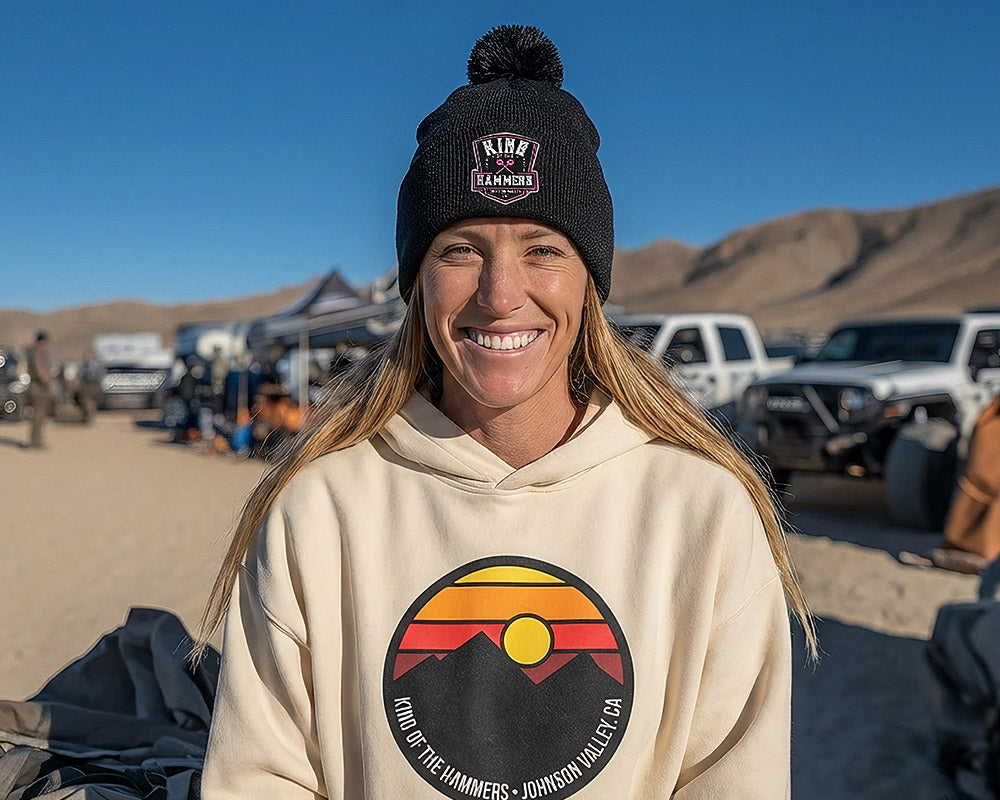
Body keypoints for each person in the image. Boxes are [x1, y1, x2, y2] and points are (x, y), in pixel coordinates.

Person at [198, 25, 814, 799]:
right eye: (459, 249)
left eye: (543, 249)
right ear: (416, 280)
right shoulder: (321, 510)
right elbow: (261, 780)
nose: (499, 293)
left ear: (590, 281)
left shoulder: (702, 512)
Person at [25, 330, 54, 448]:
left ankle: (37, 440)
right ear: (41, 342)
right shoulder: (36, 353)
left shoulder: (36, 353)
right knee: (38, 415)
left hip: (39, 387)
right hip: (38, 388)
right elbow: (40, 371)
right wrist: (48, 382)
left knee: (40, 415)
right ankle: (34, 442)